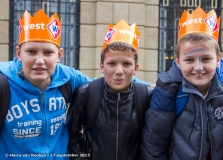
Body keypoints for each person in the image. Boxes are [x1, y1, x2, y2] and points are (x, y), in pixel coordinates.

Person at [0, 9, 151, 159]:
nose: (40, 61)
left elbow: (106, 81)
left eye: (48, 53)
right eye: (31, 52)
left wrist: (148, 87)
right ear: (19, 53)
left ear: (59, 55)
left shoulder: (67, 78)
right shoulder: (3, 84)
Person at [141, 7, 223, 160]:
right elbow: (154, 143)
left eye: (206, 59)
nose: (198, 68)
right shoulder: (167, 90)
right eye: (189, 60)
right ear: (178, 61)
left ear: (218, 59)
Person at [67, 19, 153, 160]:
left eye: (126, 64)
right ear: (102, 66)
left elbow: (154, 139)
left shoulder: (146, 96)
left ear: (135, 68)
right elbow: (72, 136)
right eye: (112, 63)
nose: (119, 71)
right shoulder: (86, 93)